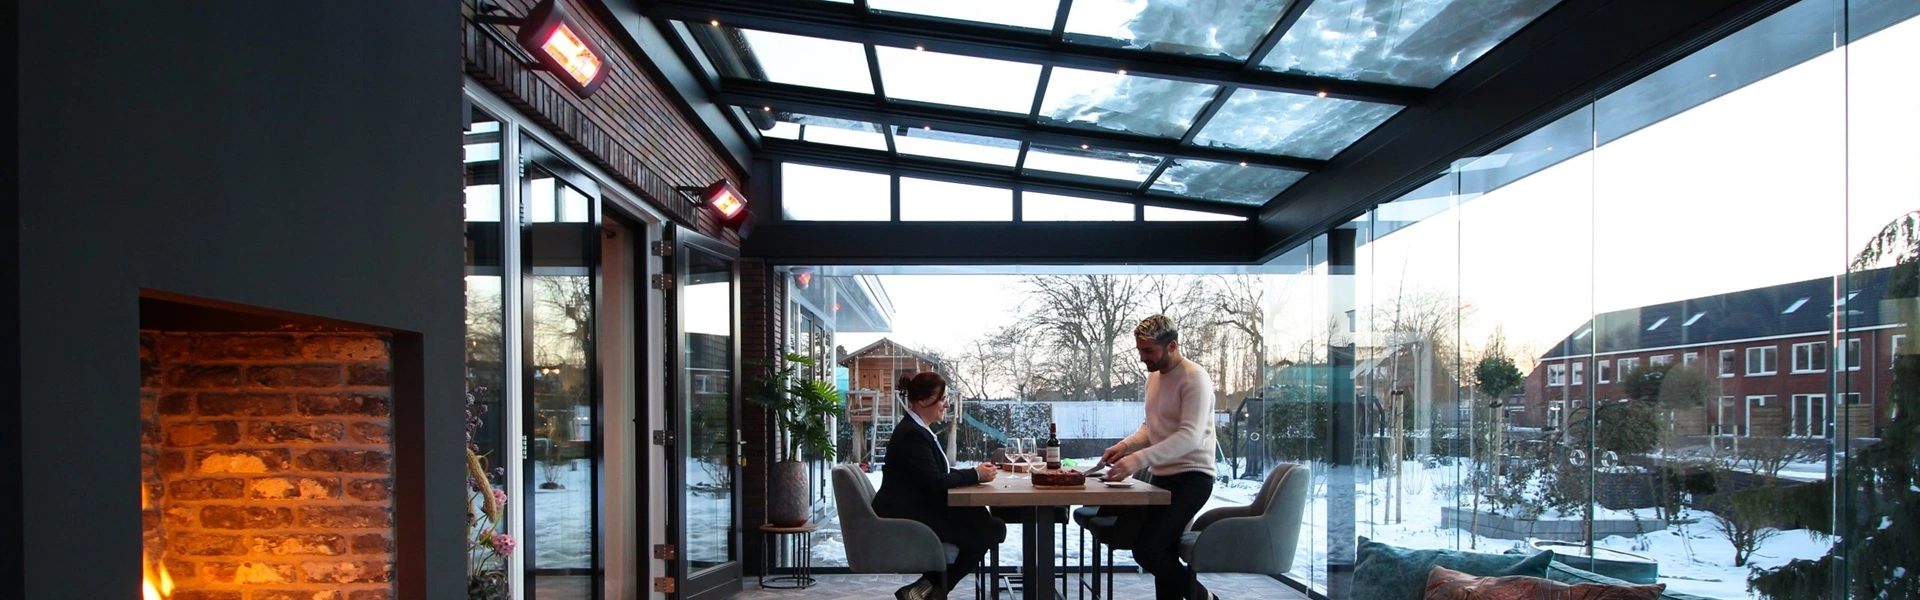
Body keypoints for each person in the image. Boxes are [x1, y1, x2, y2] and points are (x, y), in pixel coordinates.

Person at [1099, 314, 1218, 600]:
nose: (1142, 358)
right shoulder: (1153, 377)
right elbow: (1151, 427)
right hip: (1162, 478)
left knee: (1148, 550)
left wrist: (1137, 460)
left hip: (1193, 479)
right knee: (1163, 551)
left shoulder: (1194, 377)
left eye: (1148, 351)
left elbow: (1190, 436)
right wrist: (1126, 446)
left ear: (1172, 346)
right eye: (1140, 350)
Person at [871, 371, 1003, 600]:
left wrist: (975, 473)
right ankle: (931, 591)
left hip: (917, 507)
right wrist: (975, 475)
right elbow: (934, 481)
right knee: (990, 530)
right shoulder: (911, 435)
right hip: (908, 516)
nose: (947, 404)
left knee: (984, 519)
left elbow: (937, 473)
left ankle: (925, 591)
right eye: (942, 398)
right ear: (923, 400)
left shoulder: (916, 429)